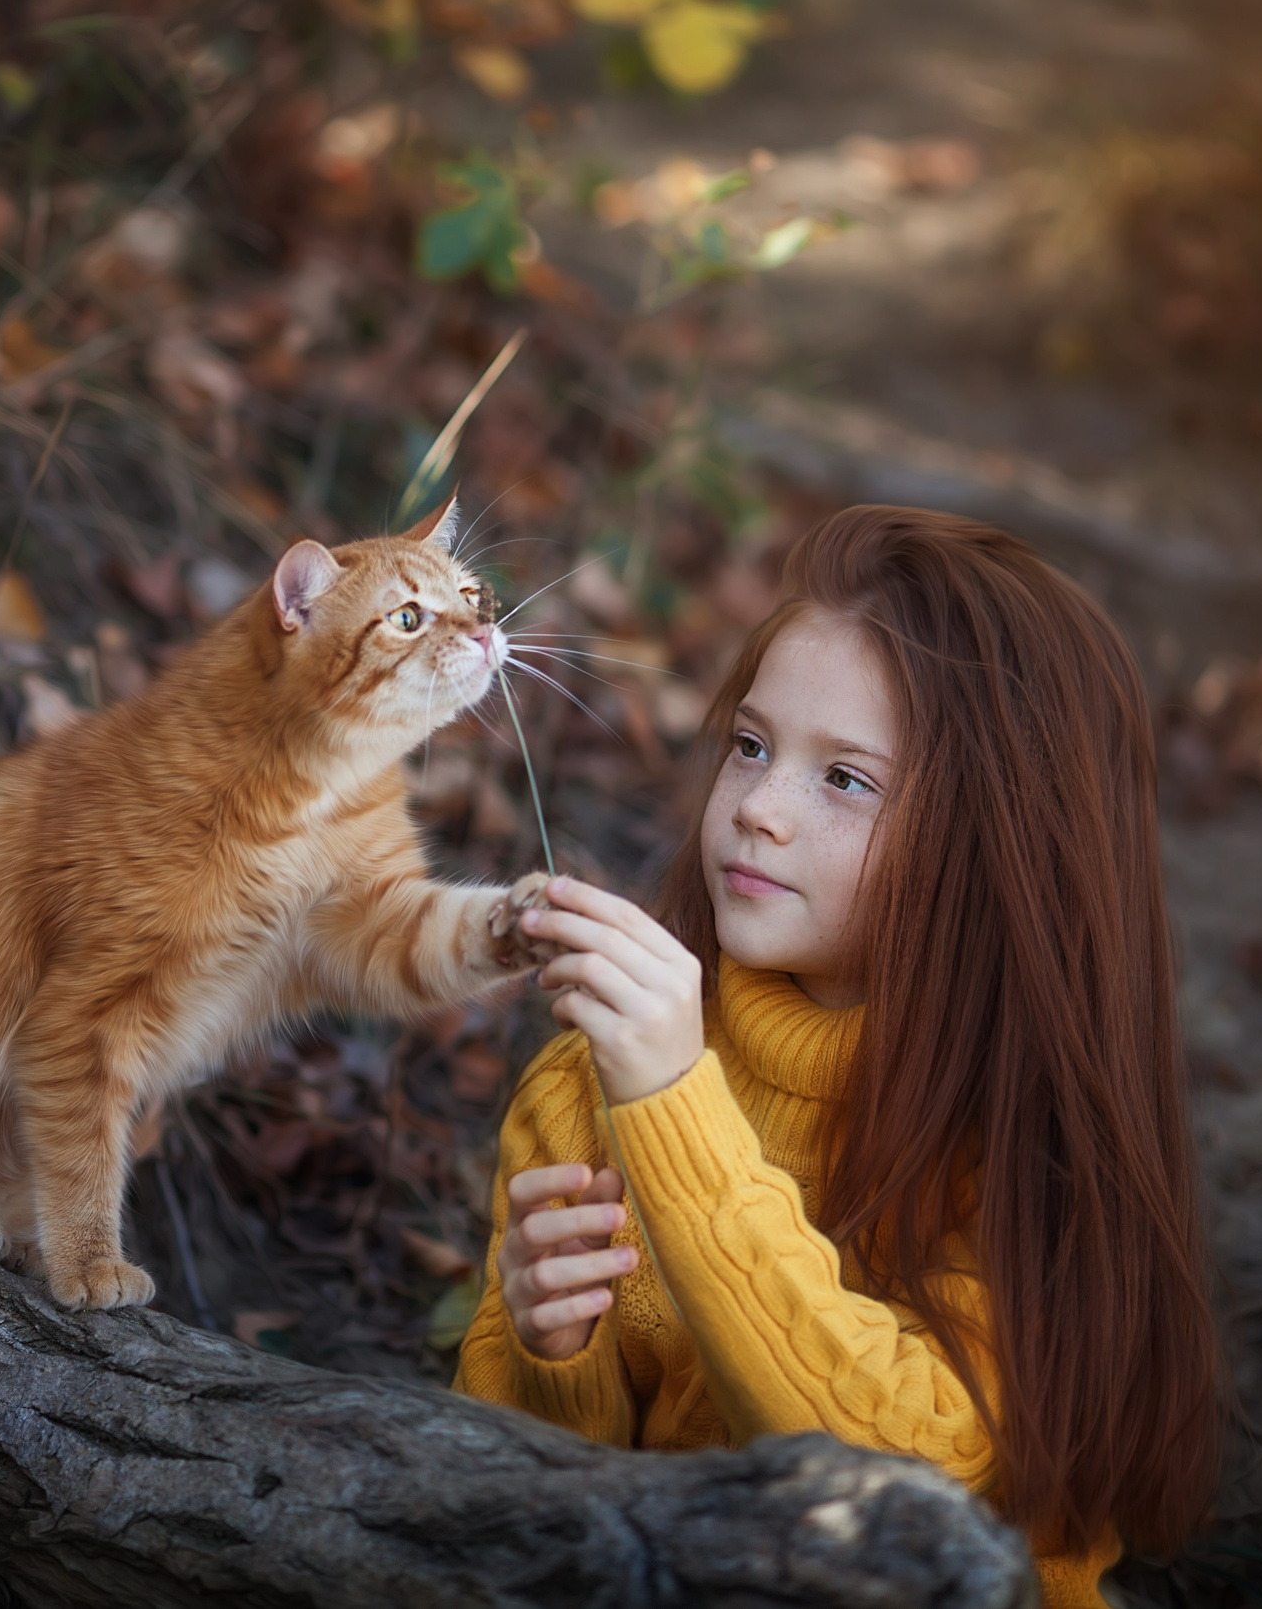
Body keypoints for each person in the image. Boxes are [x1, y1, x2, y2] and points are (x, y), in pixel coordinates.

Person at [455, 506, 1221, 1607]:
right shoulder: (590, 1083)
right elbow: (489, 1520)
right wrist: (554, 1359)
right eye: (751, 746)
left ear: (997, 841)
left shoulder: (1027, 1141)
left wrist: (677, 1109)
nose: (759, 809)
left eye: (846, 780)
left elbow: (913, 1474)